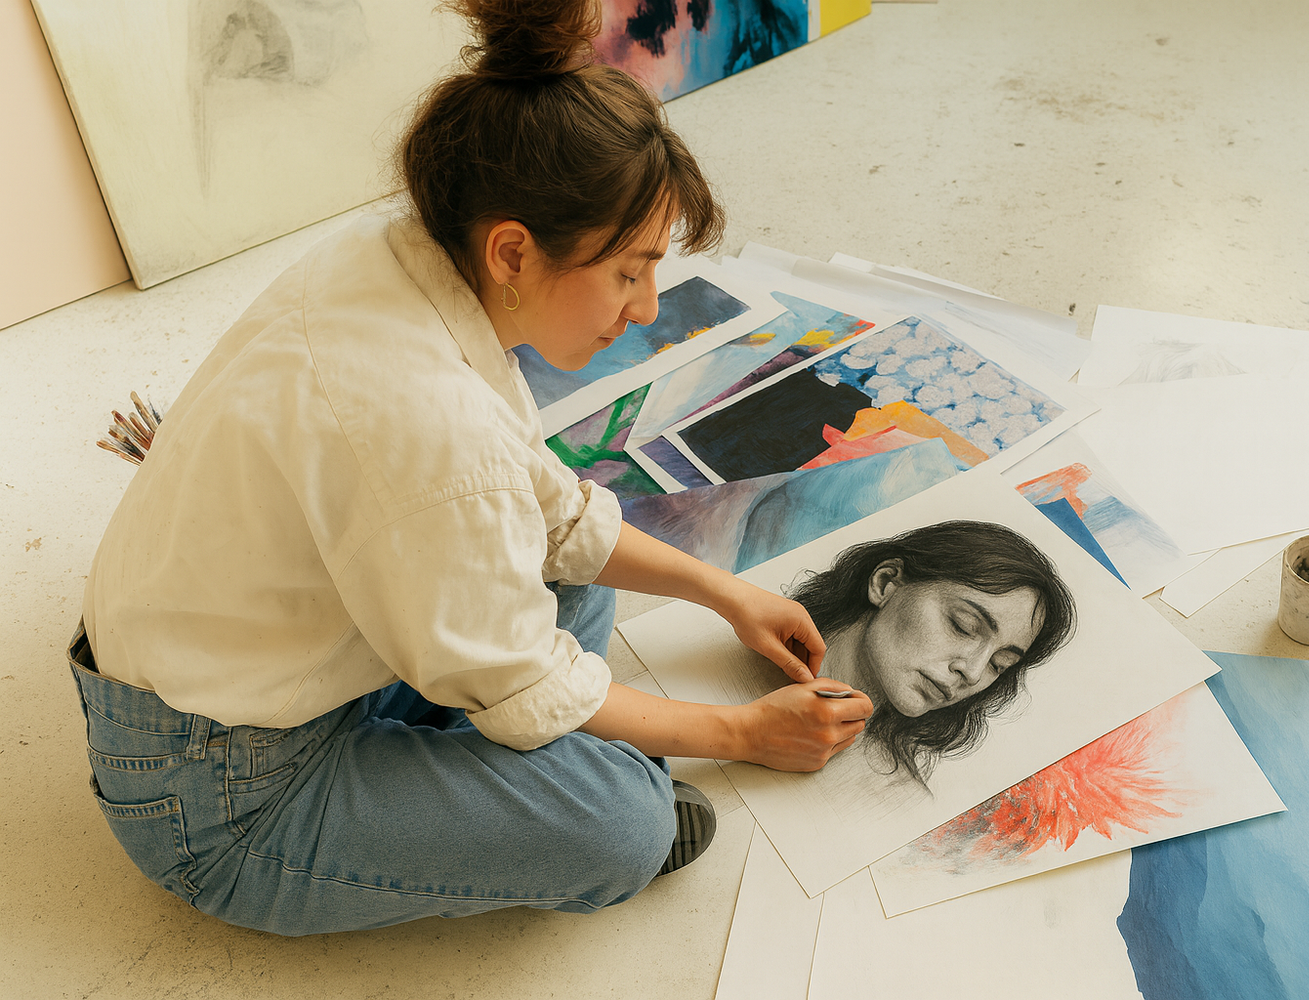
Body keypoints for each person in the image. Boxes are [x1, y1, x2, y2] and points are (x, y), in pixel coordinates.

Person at [71, 0, 872, 937]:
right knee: (624, 825)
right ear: (513, 251)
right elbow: (514, 624)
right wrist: (741, 735)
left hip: (274, 658)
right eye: (628, 272)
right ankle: (489, 790)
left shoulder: (392, 255)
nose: (649, 306)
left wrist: (722, 592)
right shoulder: (429, 435)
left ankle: (457, 774)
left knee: (572, 593)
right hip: (215, 796)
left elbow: (545, 511)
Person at [788, 520, 1077, 786]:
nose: (974, 672)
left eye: (999, 664)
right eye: (963, 626)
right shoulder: (749, 651)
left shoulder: (892, 791)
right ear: (885, 583)